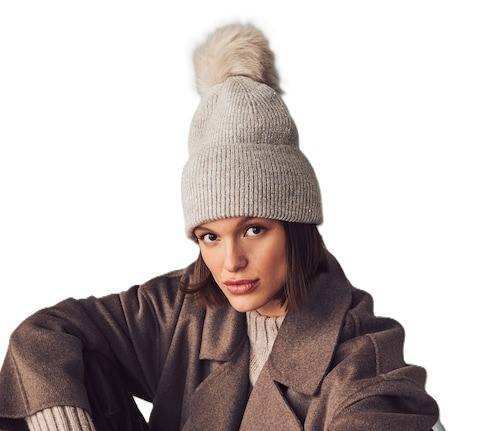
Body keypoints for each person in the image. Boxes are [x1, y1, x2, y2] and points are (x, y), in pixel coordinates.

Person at [0, 22, 442, 430]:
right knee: (69, 366)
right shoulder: (183, 309)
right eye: (210, 237)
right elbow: (42, 336)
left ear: (295, 226)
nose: (231, 262)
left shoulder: (362, 355)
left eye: (253, 229)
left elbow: (380, 411)